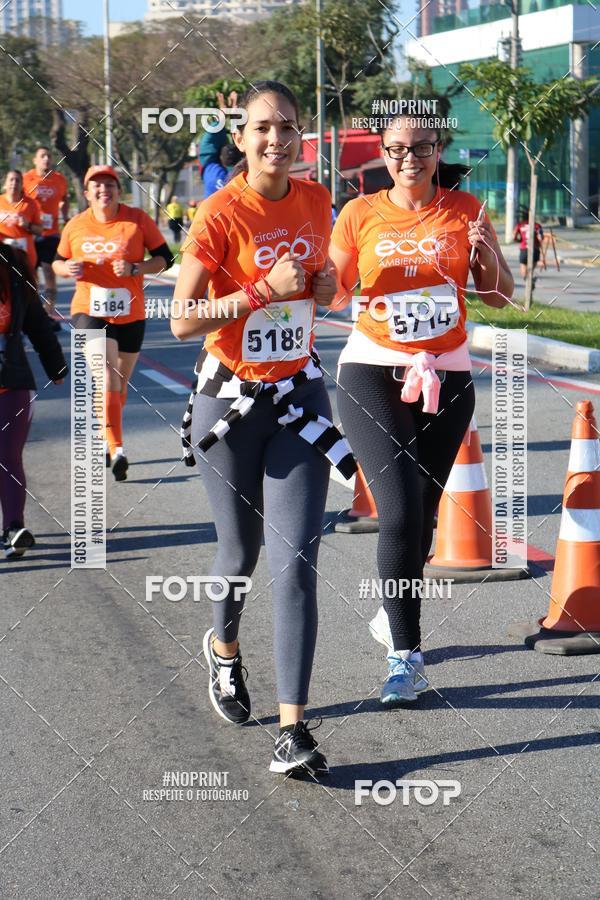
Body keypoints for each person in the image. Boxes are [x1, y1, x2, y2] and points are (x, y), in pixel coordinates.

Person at [171, 81, 355, 777]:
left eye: (286, 127)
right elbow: (182, 319)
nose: (275, 138)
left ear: (300, 136)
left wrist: (316, 290)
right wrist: (259, 292)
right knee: (238, 550)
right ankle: (222, 650)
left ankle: (293, 730)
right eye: (261, 129)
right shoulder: (219, 213)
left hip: (300, 392)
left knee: (297, 561)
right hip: (229, 398)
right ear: (242, 140)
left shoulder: (315, 201)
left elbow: (330, 288)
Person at [329, 115, 514, 705]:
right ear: (383, 154)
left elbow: (499, 295)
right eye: (398, 149)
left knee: (426, 519)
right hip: (371, 370)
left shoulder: (467, 209)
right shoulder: (358, 214)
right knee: (401, 512)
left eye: (422, 147)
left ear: (438, 151)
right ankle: (405, 659)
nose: (411, 157)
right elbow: (331, 290)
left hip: (448, 373)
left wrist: (486, 258)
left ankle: (394, 609)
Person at [53, 165, 174, 482]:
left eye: (109, 184)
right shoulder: (76, 225)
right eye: (96, 185)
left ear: (119, 191)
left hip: (131, 313)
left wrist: (136, 268)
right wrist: (68, 269)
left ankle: (108, 434)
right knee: (106, 375)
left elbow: (165, 259)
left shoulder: (137, 220)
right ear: (86, 192)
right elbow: (56, 260)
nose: (103, 189)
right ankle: (117, 448)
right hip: (88, 309)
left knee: (119, 385)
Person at [0, 243, 67, 559]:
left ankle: (14, 528)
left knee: (8, 457)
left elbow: (37, 323)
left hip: (11, 383)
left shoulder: (11, 263)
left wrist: (56, 365)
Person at [23, 147, 69, 330]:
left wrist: (65, 217)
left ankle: (48, 313)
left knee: (50, 273)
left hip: (51, 234)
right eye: (42, 156)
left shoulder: (59, 179)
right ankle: (29, 313)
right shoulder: (27, 179)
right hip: (32, 234)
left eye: (49, 156)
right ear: (35, 160)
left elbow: (64, 199)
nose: (46, 159)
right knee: (30, 276)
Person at [0, 170, 43, 274]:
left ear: (22, 184)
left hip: (24, 254)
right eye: (11, 180)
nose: (14, 183)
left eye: (17, 180)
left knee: (24, 288)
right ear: (5, 184)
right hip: (2, 252)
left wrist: (27, 225)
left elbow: (40, 231)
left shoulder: (31, 204)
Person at [514, 208, 544, 284]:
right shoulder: (537, 226)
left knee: (523, 266)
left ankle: (526, 280)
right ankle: (530, 279)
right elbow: (540, 237)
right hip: (535, 250)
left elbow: (514, 236)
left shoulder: (520, 225)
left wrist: (519, 240)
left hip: (524, 248)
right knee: (531, 268)